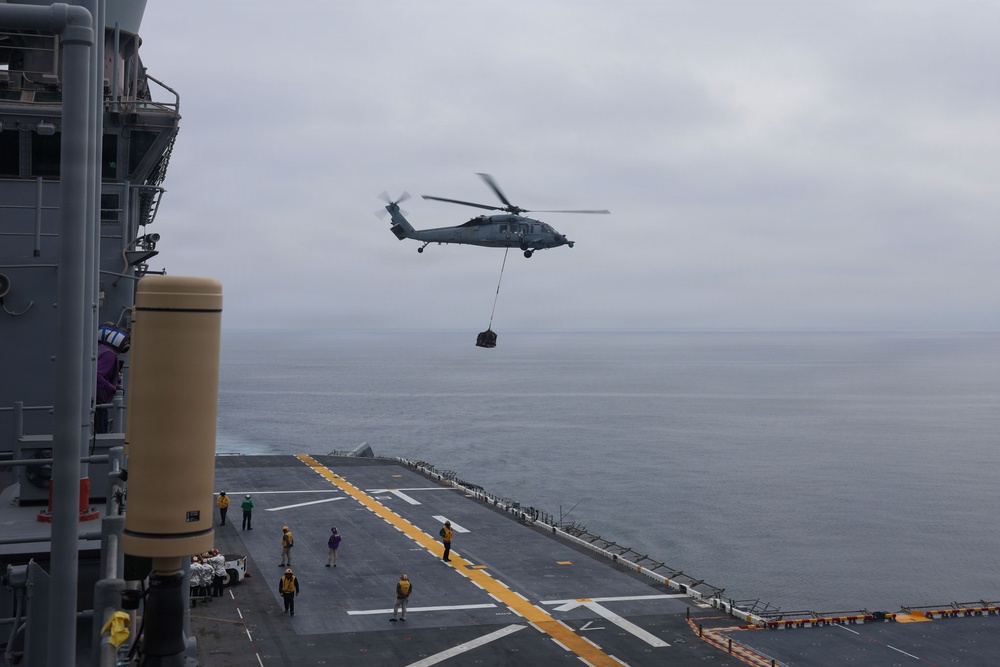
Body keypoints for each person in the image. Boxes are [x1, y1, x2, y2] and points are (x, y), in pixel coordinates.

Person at [95, 323, 129, 433]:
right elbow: (96, 375)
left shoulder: (99, 348)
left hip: (94, 401)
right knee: (101, 435)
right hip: (99, 401)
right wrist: (112, 388)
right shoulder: (109, 355)